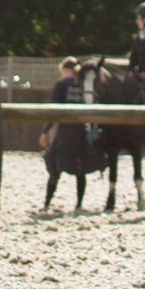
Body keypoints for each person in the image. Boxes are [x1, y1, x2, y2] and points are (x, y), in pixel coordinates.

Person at [39, 57, 103, 208]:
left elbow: (54, 110)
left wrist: (45, 131)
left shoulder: (61, 85)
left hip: (65, 132)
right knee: (80, 169)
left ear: (65, 70)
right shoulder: (84, 84)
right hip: (81, 131)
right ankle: (79, 204)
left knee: (55, 168)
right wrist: (95, 128)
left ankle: (47, 202)